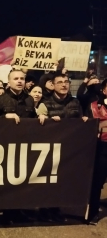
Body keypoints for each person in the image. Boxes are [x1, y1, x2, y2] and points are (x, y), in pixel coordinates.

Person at [37, 73, 87, 223]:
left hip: (68, 149)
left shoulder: (75, 103)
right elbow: (37, 127)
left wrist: (84, 120)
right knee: (48, 180)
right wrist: (46, 120)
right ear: (53, 85)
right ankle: (44, 209)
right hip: (50, 148)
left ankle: (56, 208)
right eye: (60, 82)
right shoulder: (44, 104)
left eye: (66, 82)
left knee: (61, 179)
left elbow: (80, 119)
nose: (64, 85)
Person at [87, 79, 107, 225]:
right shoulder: (94, 106)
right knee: (97, 182)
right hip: (102, 148)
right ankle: (92, 213)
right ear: (104, 90)